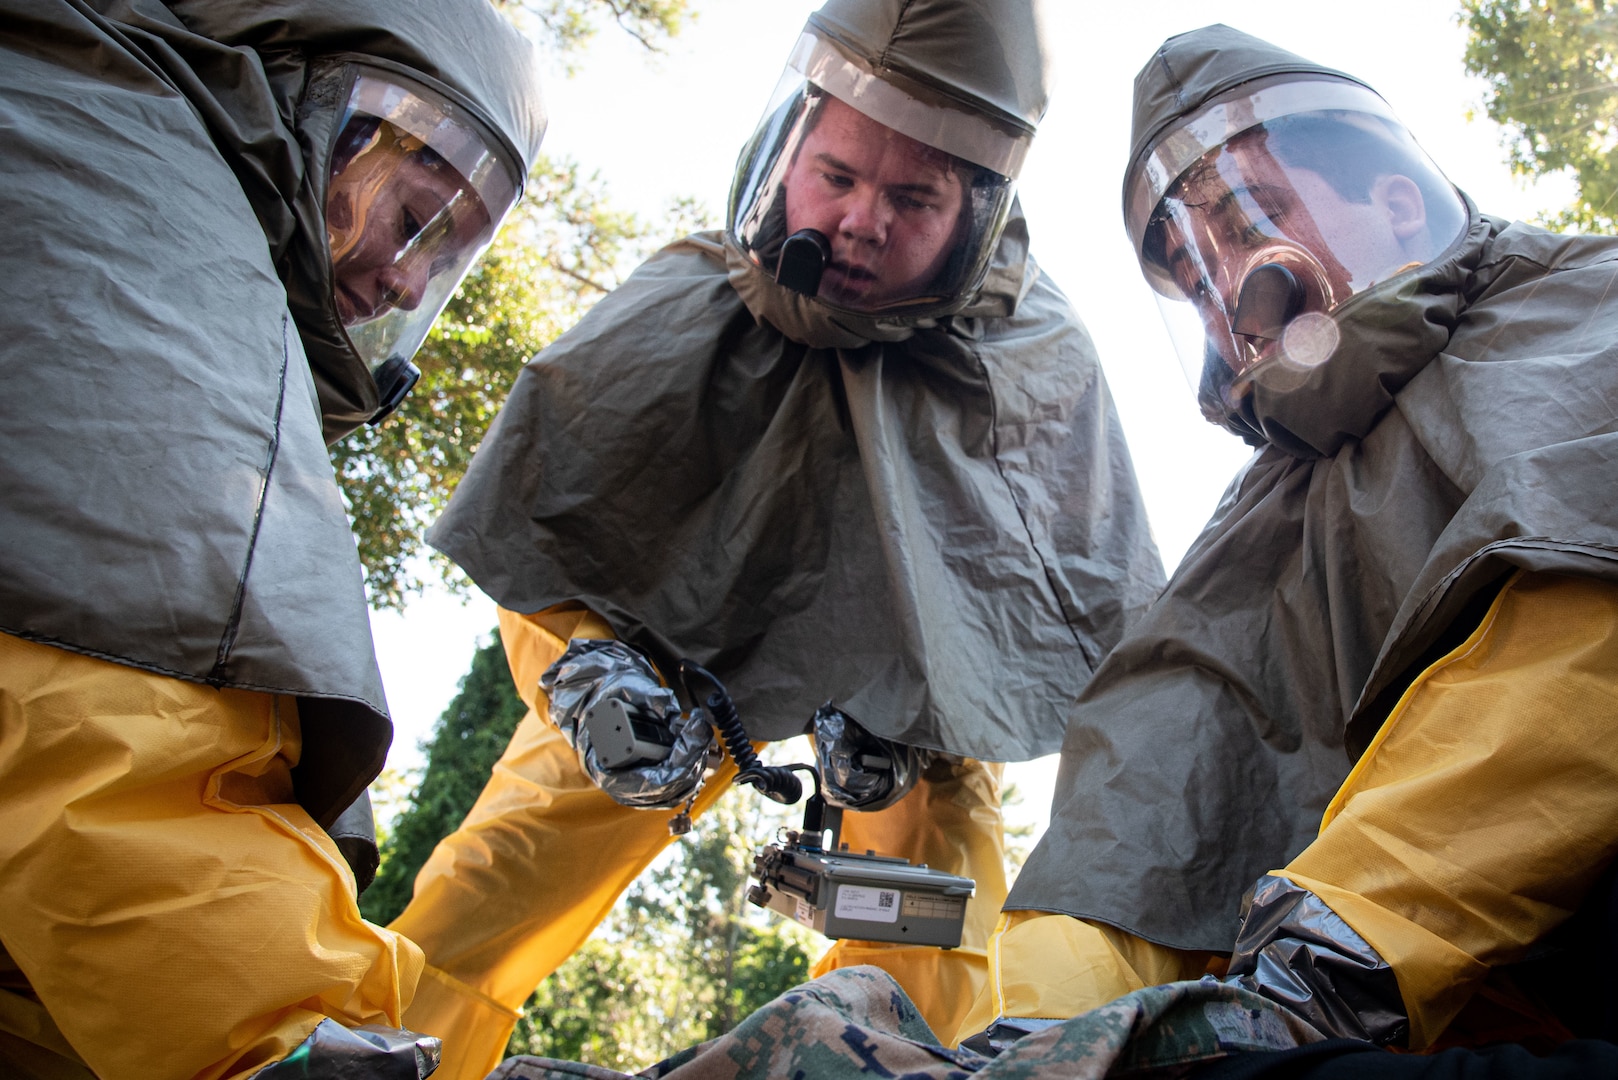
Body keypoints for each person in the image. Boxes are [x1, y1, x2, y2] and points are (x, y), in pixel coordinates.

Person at [387, 0, 1165, 1076]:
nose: (860, 222)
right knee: (496, 883)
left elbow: (1061, 593)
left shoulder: (1032, 351)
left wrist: (927, 717)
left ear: (976, 206)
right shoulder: (687, 290)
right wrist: (585, 677)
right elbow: (548, 536)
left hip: (914, 720)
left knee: (934, 912)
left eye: (913, 197)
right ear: (787, 147)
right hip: (664, 669)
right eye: (838, 176)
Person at [959, 22, 1618, 1056]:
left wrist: (1316, 975)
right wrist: (1052, 1043)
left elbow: (1583, 628)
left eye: (1244, 220)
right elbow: (1127, 828)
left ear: (1395, 201)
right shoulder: (1257, 527)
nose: (1230, 291)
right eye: (1190, 272)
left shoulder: (1585, 307)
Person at [0, 1, 544, 1077]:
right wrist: (288, 1040)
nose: (404, 281)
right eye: (413, 216)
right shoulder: (133, 200)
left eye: (445, 259)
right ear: (308, 107)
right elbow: (102, 725)